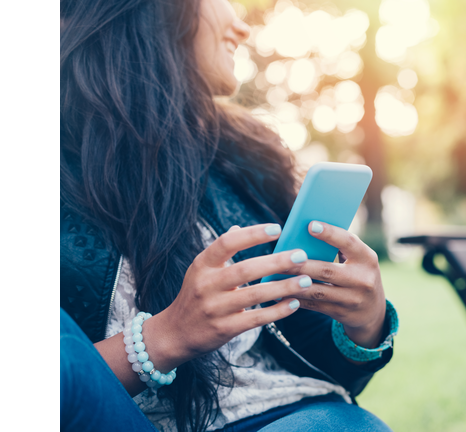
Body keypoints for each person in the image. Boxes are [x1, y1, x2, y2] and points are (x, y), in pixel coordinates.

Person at [60, 0, 397, 431]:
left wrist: (364, 325)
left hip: (288, 414)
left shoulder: (245, 159)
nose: (242, 26)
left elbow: (326, 367)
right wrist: (165, 337)